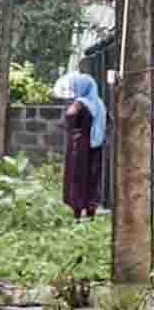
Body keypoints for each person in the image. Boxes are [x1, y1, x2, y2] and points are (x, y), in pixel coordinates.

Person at [62, 72, 108, 220]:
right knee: (93, 177)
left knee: (77, 177)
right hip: (96, 146)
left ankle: (77, 214)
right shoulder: (99, 103)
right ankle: (91, 212)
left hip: (79, 147)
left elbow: (69, 118)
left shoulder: (80, 103)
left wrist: (72, 108)